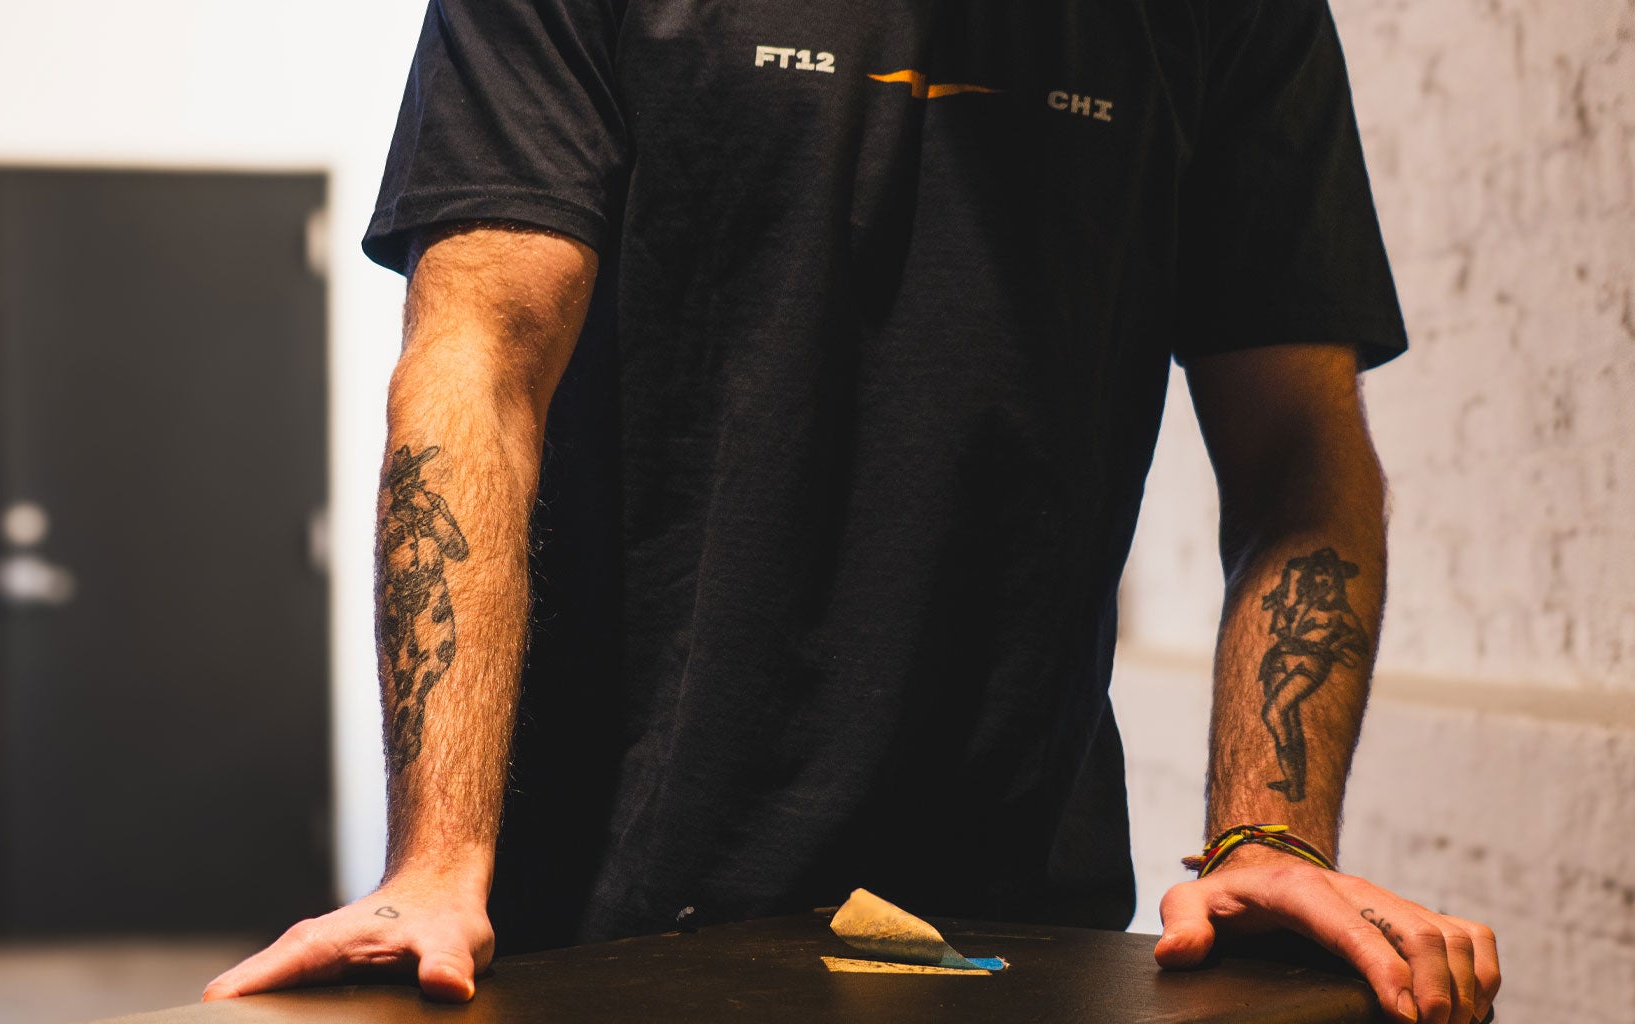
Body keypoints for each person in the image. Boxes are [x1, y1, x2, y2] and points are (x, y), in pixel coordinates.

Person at [207, 2, 1500, 1021]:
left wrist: (1272, 841)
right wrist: (435, 860)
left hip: (1019, 923)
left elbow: (1296, 456)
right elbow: (478, 367)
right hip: (599, 922)